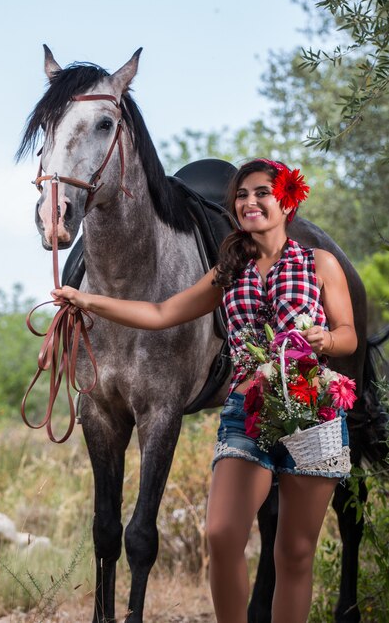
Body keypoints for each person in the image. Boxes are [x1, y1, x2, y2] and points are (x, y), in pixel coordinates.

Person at [52, 158, 357, 623]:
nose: (249, 202)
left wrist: (326, 340)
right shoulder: (227, 270)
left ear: (286, 200)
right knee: (221, 533)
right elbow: (161, 313)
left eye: (261, 193)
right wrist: (86, 299)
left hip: (313, 409)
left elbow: (348, 335)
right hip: (248, 411)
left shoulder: (322, 263)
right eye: (241, 195)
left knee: (295, 552)